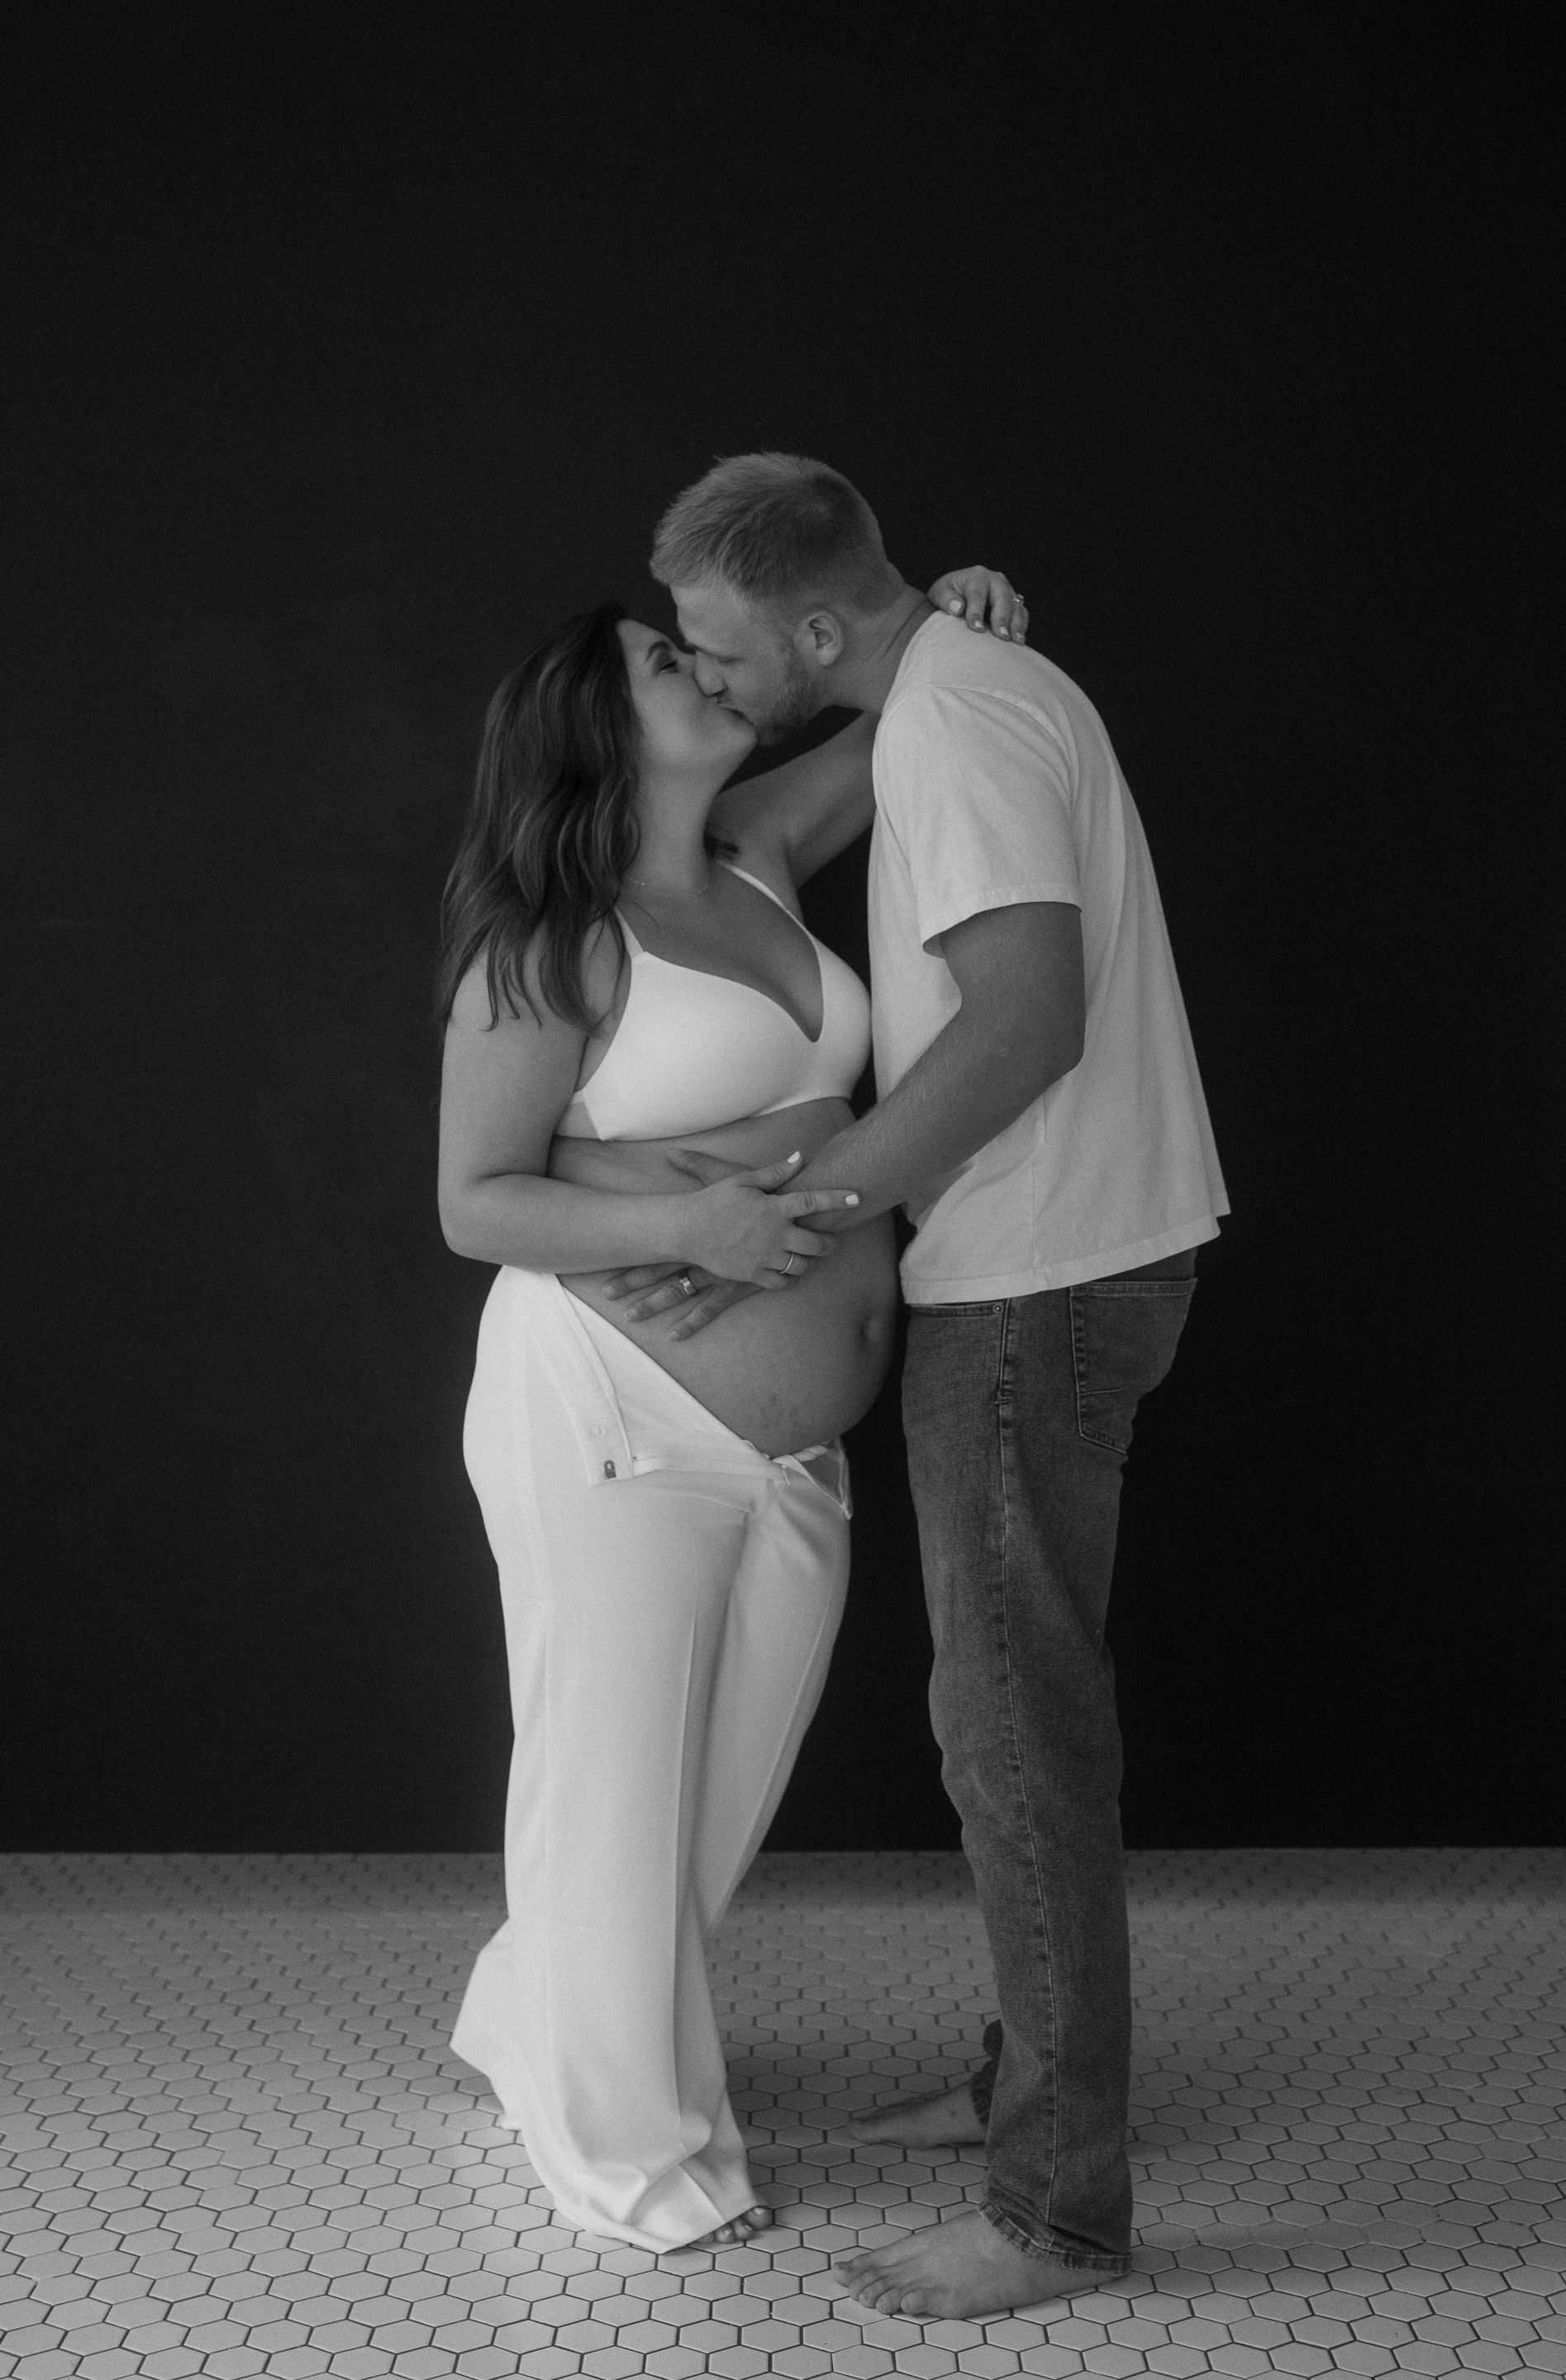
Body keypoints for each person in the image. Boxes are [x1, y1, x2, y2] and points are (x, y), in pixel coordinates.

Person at [612, 453, 1228, 2314]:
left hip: (1039, 1287)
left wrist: (804, 1204)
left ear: (814, 622)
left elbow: (1029, 1017)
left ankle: (1057, 2218)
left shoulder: (952, 726)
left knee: (1015, 1741)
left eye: (726, 649)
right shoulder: (960, 691)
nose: (714, 679)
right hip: (1069, 1268)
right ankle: (1022, 2086)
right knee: (1021, 1720)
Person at [435, 562, 1026, 2254]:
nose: (700, 662)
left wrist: (959, 610)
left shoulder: (758, 847)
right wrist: (687, 1215)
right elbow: (477, 1200)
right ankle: (627, 2160)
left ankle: (520, 2013)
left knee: (705, 1814)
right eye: (658, 655)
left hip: (787, 1444)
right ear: (593, 717)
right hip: (612, 1405)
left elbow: (899, 695)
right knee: (612, 1798)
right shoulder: (550, 934)